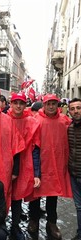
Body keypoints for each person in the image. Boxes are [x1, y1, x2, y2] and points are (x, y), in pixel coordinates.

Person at [27, 94, 72, 239]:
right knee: (35, 194)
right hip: (39, 163)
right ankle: (33, 219)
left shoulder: (64, 121)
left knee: (52, 195)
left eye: (54, 103)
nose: (51, 106)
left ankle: (51, 222)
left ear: (57, 105)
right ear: (44, 105)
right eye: (48, 103)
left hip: (56, 164)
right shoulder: (36, 120)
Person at [7, 92, 41, 240]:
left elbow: (35, 149)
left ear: (25, 104)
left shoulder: (31, 122)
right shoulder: (4, 119)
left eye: (21, 103)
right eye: (16, 103)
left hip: (24, 164)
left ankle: (15, 226)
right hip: (5, 162)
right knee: (1, 195)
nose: (19, 106)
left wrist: (36, 173)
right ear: (12, 104)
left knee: (17, 197)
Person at [67, 98, 81, 240]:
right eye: (73, 109)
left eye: (78, 108)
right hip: (74, 173)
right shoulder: (69, 127)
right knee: (79, 207)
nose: (75, 111)